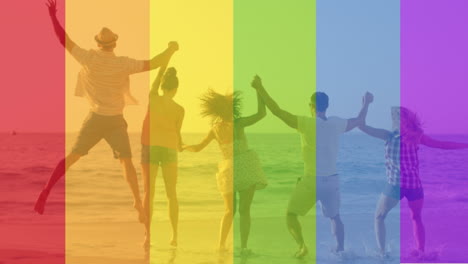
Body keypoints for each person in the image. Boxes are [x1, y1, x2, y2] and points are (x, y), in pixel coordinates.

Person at [34, 0, 179, 225]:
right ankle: (136, 201)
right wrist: (171, 50)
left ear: (99, 44)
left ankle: (46, 189)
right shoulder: (123, 63)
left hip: (94, 119)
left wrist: (53, 15)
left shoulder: (88, 58)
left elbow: (63, 39)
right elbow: (153, 63)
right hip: (115, 122)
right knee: (127, 162)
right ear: (114, 44)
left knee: (72, 157)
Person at [252, 76, 373, 258]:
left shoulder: (305, 123)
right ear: (327, 106)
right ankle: (340, 250)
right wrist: (366, 103)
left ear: (311, 106)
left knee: (290, 215)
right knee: (335, 217)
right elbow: (359, 120)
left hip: (311, 181)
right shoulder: (336, 123)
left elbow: (277, 111)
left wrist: (259, 88)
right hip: (332, 181)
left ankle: (302, 246)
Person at [359, 106, 468, 258]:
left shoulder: (388, 136)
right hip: (414, 186)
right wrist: (465, 145)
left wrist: (365, 105)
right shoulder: (416, 136)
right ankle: (421, 252)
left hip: (395, 185)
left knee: (379, 216)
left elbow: (363, 126)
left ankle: (382, 252)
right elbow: (442, 145)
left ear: (396, 120)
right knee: (416, 218)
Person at [183, 76, 268, 255]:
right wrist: (258, 90)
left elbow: (198, 148)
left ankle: (221, 245)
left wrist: (182, 146)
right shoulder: (239, 123)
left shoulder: (215, 129)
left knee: (229, 211)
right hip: (245, 166)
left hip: (228, 170)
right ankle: (244, 247)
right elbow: (262, 114)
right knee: (245, 211)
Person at [141, 58, 184, 249]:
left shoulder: (153, 97)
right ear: (176, 89)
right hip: (169, 149)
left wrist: (165, 63)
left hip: (151, 148)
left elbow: (156, 78)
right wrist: (181, 146)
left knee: (149, 193)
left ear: (163, 86)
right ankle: (174, 236)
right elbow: (177, 134)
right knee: (171, 194)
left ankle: (147, 236)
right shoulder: (180, 109)